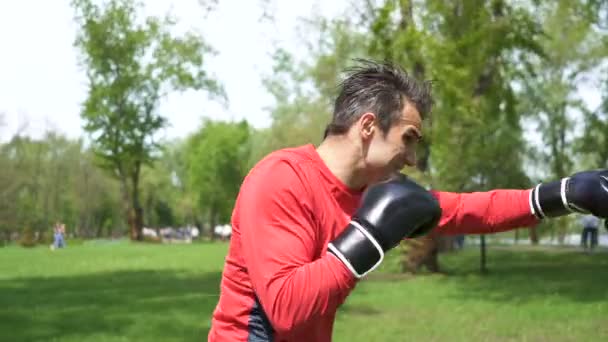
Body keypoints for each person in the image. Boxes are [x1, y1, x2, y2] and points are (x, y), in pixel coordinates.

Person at [208, 59, 608, 342]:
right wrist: (368, 235)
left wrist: (567, 194)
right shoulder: (281, 179)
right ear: (367, 126)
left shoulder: (370, 194)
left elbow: (471, 210)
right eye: (408, 138)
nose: (413, 158)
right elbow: (286, 307)